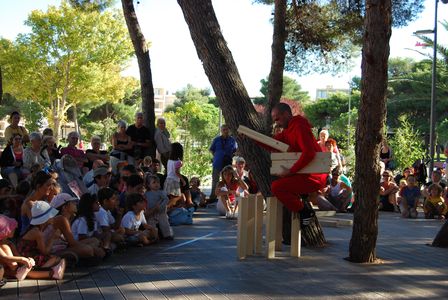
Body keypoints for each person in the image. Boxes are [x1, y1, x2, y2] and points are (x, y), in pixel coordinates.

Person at [261, 103, 327, 225]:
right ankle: (302, 207)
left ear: (286, 114)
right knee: (279, 185)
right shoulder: (288, 131)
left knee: (277, 187)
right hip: (304, 174)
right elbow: (272, 143)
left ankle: (305, 212)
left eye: (277, 119)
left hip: (314, 176)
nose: (276, 123)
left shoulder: (299, 127)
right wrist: (251, 138)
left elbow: (309, 153)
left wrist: (290, 171)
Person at [17, 201, 66, 280]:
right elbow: (45, 252)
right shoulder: (37, 232)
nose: (53, 217)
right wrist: (53, 238)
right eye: (50, 216)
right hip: (28, 258)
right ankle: (40, 271)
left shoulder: (35, 229)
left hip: (29, 255)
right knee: (56, 259)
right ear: (45, 219)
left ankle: (41, 270)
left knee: (57, 259)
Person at [70, 194, 107, 258]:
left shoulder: (92, 217)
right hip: (77, 243)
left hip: (88, 241)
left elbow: (95, 233)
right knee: (95, 242)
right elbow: (81, 236)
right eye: (96, 202)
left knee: (102, 238)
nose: (98, 204)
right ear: (89, 205)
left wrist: (101, 240)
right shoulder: (83, 219)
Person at [0, 215, 36, 281]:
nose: (15, 228)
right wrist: (22, 259)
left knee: (7, 246)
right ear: (5, 231)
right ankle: (17, 272)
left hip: (8, 267)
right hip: (3, 268)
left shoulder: (7, 242)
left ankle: (17, 271)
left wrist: (26, 261)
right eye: (11, 228)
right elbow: (5, 258)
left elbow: (16, 254)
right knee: (6, 248)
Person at [209, 124, 237, 202]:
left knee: (228, 179)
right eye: (224, 130)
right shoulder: (216, 139)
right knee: (215, 179)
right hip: (218, 162)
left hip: (228, 162)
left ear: (229, 131)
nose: (225, 131)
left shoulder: (232, 140)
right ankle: (213, 197)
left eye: (227, 129)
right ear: (221, 131)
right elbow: (211, 149)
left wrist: (231, 155)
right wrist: (216, 156)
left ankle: (229, 196)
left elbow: (235, 150)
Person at [20, 171, 53, 235]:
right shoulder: (28, 204)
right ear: (38, 186)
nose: (51, 188)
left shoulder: (43, 199)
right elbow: (37, 226)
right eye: (48, 185)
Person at [144, 175, 173, 239]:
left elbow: (166, 199)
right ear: (148, 185)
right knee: (151, 224)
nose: (156, 184)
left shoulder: (161, 192)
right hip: (151, 212)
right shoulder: (146, 193)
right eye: (154, 182)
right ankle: (153, 235)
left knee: (164, 224)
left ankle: (167, 235)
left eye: (158, 182)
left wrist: (161, 206)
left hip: (161, 212)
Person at [164, 143, 186, 209]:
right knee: (177, 197)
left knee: (171, 197)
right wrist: (183, 180)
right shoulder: (178, 162)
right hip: (174, 181)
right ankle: (166, 208)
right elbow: (177, 172)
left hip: (168, 180)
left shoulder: (169, 160)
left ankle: (168, 210)